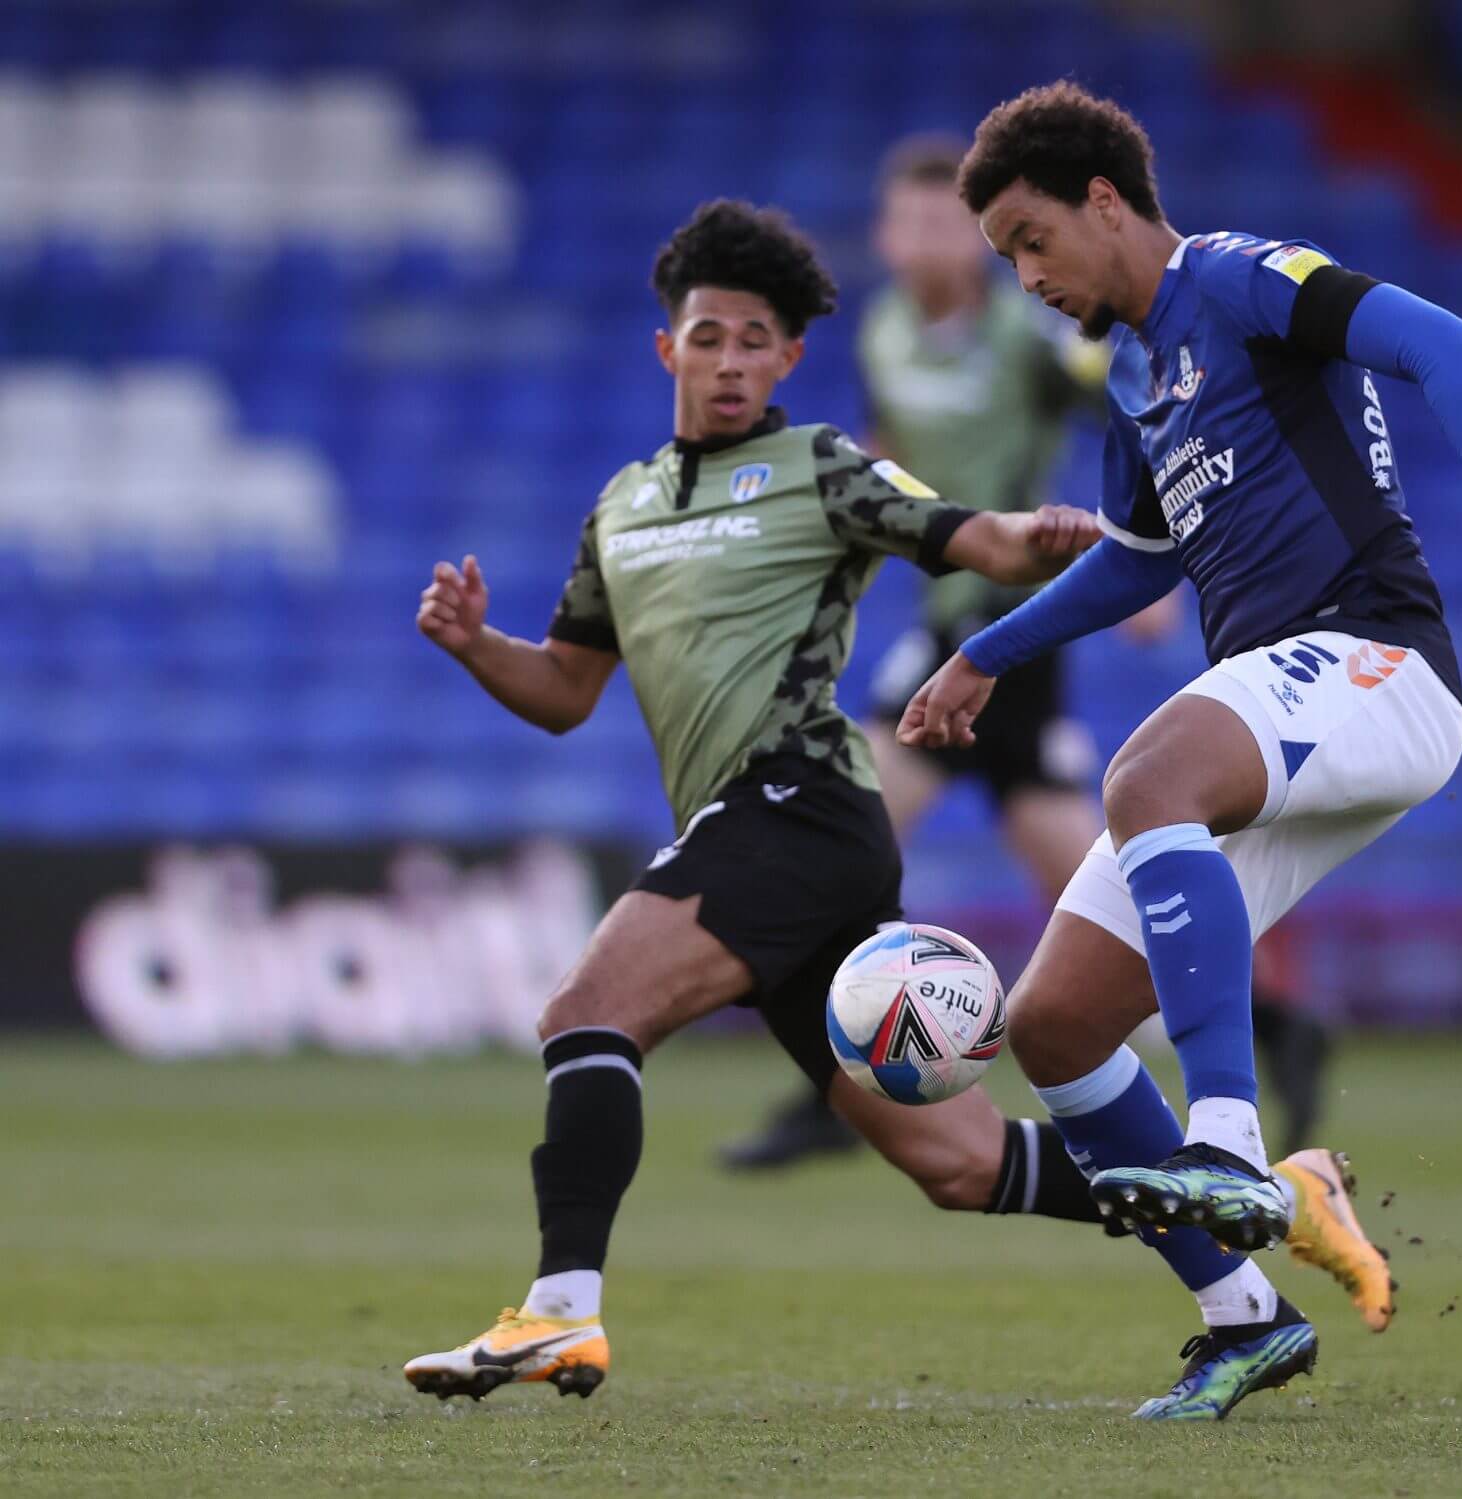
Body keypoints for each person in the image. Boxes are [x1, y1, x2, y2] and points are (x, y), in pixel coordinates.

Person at [400, 197, 1390, 1404]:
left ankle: (557, 1313)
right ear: (668, 348)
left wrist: (1044, 535)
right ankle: (1268, 1233)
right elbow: (563, 689)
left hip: (797, 805)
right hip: (758, 842)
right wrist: (471, 646)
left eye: (754, 340)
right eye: (706, 336)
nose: (728, 360)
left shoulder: (817, 465)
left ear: (789, 357)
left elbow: (962, 532)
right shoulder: (618, 509)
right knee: (959, 1163)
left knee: (585, 1012)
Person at [899, 83, 1462, 1420]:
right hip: (1271, 701)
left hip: (1381, 663)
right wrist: (984, 653)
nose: (1026, 278)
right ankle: (1243, 1315)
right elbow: (1134, 561)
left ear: (1106, 201)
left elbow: (1449, 342)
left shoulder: (1240, 278)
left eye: (1033, 241)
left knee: (1143, 778)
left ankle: (1232, 1137)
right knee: (1057, 1023)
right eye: (1007, 258)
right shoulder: (1139, 378)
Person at [719, 135, 1331, 1173]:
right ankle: (835, 1085)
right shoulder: (878, 330)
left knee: (862, 841)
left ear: (971, 239)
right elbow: (891, 442)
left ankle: (1268, 1026)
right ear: (881, 235)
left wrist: (1146, 560)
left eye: (936, 222)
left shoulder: (1021, 336)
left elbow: (1139, 407)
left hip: (1011, 635)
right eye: (901, 222)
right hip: (944, 626)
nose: (918, 241)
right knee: (899, 844)